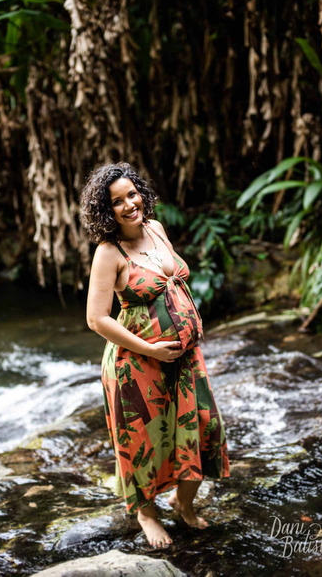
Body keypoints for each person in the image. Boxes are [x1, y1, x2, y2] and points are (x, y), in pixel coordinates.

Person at [82, 163, 230, 548]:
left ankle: (184, 503)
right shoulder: (108, 253)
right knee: (144, 443)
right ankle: (146, 514)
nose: (129, 204)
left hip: (184, 360)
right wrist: (150, 348)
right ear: (105, 210)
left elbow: (172, 286)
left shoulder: (156, 228)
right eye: (117, 201)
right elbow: (96, 319)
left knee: (201, 427)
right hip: (137, 363)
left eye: (132, 194)